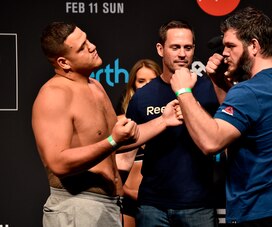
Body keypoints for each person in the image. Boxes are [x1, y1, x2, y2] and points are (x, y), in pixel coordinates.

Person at [170, 7, 272, 226]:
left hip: (256, 212)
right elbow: (245, 119)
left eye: (230, 46)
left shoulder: (247, 92)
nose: (224, 53)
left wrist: (183, 92)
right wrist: (219, 82)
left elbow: (211, 141)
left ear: (254, 45)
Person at [32, 22, 182, 227]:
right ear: (63, 62)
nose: (92, 46)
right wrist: (112, 141)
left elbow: (121, 138)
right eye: (82, 47)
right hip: (77, 208)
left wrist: (164, 120)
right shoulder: (54, 95)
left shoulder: (95, 86)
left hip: (107, 206)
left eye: (87, 39)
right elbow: (58, 162)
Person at [126, 20, 220, 227]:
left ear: (194, 50)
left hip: (198, 203)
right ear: (161, 49)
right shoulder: (143, 96)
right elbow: (125, 143)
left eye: (188, 47)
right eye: (175, 47)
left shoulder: (209, 89)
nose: (182, 54)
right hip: (152, 204)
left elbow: (223, 135)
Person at [116, 59, 162, 227]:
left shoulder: (170, 120)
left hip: (161, 203)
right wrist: (126, 191)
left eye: (152, 81)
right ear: (133, 85)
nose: (147, 86)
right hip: (127, 201)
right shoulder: (120, 123)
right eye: (141, 81)